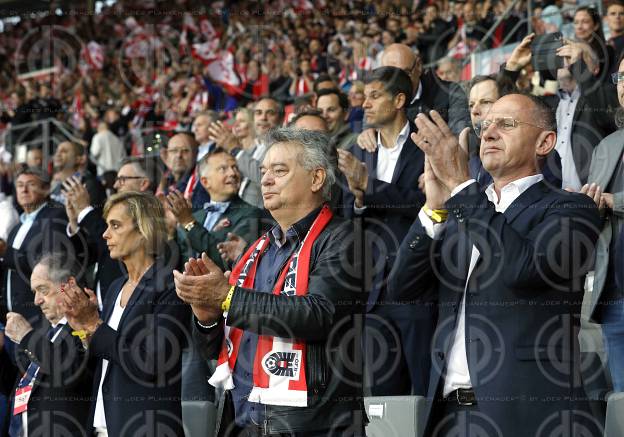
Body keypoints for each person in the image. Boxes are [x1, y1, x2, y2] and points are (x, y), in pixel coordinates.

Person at [392, 94, 601, 436]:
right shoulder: (460, 210)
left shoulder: (571, 209)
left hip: (527, 417)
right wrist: (434, 210)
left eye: (506, 124)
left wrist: (462, 187)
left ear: (545, 142)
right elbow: (402, 289)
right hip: (448, 417)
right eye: (484, 125)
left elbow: (522, 270)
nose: (487, 133)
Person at [174, 128, 365, 436]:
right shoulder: (257, 248)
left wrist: (228, 298)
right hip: (243, 420)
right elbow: (214, 349)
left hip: (311, 426)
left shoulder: (345, 238)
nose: (264, 180)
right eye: (263, 171)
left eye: (280, 171)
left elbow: (318, 315)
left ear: (317, 179)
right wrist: (207, 316)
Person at [59, 191, 191, 437]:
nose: (105, 234)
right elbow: (104, 352)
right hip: (103, 425)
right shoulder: (115, 287)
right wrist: (81, 327)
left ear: (144, 230)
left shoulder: (170, 287)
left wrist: (93, 324)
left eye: (115, 226)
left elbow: (151, 362)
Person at [339, 67, 430, 396]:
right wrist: (361, 197)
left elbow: (425, 204)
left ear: (399, 100)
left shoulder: (425, 144)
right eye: (364, 96)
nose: (365, 103)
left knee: (422, 391)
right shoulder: (362, 149)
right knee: (382, 397)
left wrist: (368, 185)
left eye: (374, 95)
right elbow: (351, 213)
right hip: (374, 292)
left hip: (418, 289)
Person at [0, 254, 93, 436]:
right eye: (34, 292)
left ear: (69, 285)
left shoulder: (86, 328)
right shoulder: (45, 335)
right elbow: (15, 387)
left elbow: (71, 372)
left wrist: (27, 336)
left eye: (43, 290)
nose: (37, 300)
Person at [584, 56, 624, 392]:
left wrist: (613, 201)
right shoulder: (605, 147)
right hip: (614, 296)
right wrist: (586, 206)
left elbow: (612, 201)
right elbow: (596, 216)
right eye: (621, 77)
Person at [356, 43, 471, 153]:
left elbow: (464, 140)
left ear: (419, 66)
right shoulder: (378, 98)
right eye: (389, 77)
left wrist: (439, 140)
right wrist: (368, 130)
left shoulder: (451, 93)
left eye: (404, 73)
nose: (398, 82)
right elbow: (369, 119)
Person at [167, 148, 264, 270]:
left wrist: (190, 224)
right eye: (223, 169)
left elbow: (227, 261)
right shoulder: (193, 216)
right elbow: (174, 264)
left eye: (235, 167)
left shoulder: (252, 214)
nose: (233, 173)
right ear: (205, 182)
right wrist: (169, 233)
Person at [1, 168, 74, 323]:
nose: (24, 189)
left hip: (39, 317)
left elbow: (50, 264)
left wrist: (6, 252)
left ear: (46, 188)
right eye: (20, 185)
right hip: (12, 318)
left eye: (30, 184)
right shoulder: (17, 226)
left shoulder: (56, 216)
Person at [49, 141, 106, 208]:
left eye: (64, 151)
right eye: (57, 151)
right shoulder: (54, 185)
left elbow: (92, 216)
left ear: (79, 159)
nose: (57, 154)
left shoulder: (90, 185)